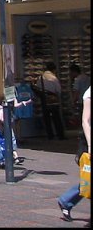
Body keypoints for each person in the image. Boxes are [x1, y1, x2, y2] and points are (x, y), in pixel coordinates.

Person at [57, 85, 90, 221]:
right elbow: (85, 121)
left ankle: (66, 200)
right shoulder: (89, 94)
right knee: (88, 180)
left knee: (88, 180)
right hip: (88, 142)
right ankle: (66, 200)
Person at [36, 61, 65, 140]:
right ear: (54, 69)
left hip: (44, 100)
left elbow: (38, 88)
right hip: (53, 100)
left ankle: (50, 135)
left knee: (47, 119)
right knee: (57, 118)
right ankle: (60, 135)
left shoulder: (40, 78)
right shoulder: (53, 78)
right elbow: (58, 90)